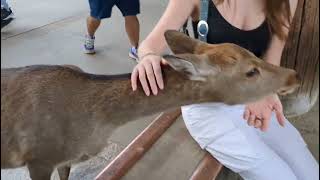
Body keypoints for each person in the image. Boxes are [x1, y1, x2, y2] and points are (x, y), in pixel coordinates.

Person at [131, 0, 319, 179]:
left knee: (304, 163)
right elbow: (149, 46)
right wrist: (148, 57)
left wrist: (267, 92)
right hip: (206, 106)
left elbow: (272, 59)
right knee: (275, 172)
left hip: (252, 96)